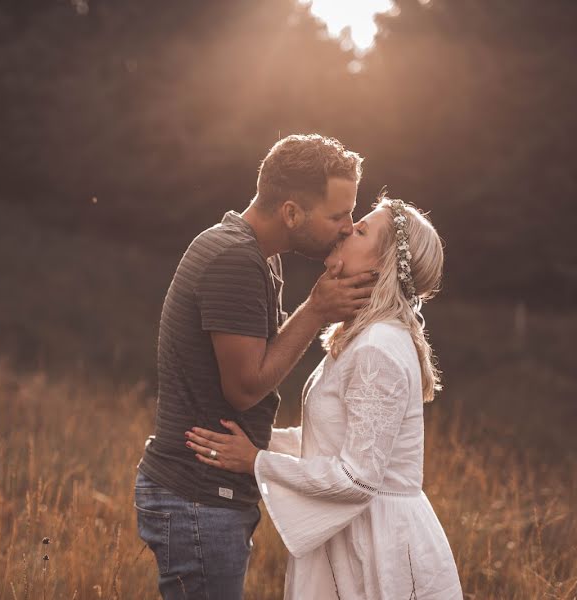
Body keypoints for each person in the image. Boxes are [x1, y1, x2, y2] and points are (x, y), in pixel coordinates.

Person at [135, 134, 378, 599]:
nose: (348, 227)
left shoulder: (257, 256)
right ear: (291, 213)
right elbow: (245, 388)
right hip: (197, 496)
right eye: (337, 215)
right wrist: (316, 310)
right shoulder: (235, 260)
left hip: (204, 495)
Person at [186, 194, 464, 599]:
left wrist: (256, 462)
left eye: (363, 230)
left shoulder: (378, 348)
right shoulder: (367, 338)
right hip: (352, 534)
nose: (349, 228)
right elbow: (336, 444)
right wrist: (260, 441)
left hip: (375, 548)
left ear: (379, 266)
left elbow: (356, 478)